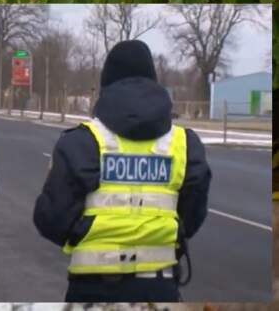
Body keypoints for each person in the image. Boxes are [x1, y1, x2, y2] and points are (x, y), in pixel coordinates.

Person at [33, 40, 211, 303]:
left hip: (92, 287)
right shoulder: (184, 144)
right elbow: (192, 214)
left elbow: (51, 219)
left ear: (106, 84)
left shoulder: (81, 141)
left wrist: (85, 234)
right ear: (153, 81)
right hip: (160, 288)